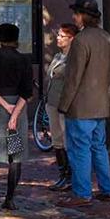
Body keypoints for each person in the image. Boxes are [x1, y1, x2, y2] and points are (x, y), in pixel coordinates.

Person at [58, 0, 110, 207]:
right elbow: (109, 71)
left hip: (80, 106)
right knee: (99, 147)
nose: (74, 17)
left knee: (79, 150)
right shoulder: (106, 37)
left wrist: (64, 104)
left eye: (76, 13)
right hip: (100, 103)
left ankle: (82, 193)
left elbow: (73, 77)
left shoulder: (81, 40)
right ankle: (107, 189)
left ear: (83, 16)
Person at [0, 22, 33, 210]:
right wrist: (15, 113)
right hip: (18, 108)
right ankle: (9, 199)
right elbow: (27, 91)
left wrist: (5, 106)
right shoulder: (24, 60)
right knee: (15, 156)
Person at [45, 23, 79, 190]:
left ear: (72, 38)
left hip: (64, 104)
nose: (58, 38)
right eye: (57, 35)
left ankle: (71, 176)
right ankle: (63, 174)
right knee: (57, 139)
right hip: (52, 102)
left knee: (67, 139)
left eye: (62, 36)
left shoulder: (74, 59)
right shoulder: (58, 56)